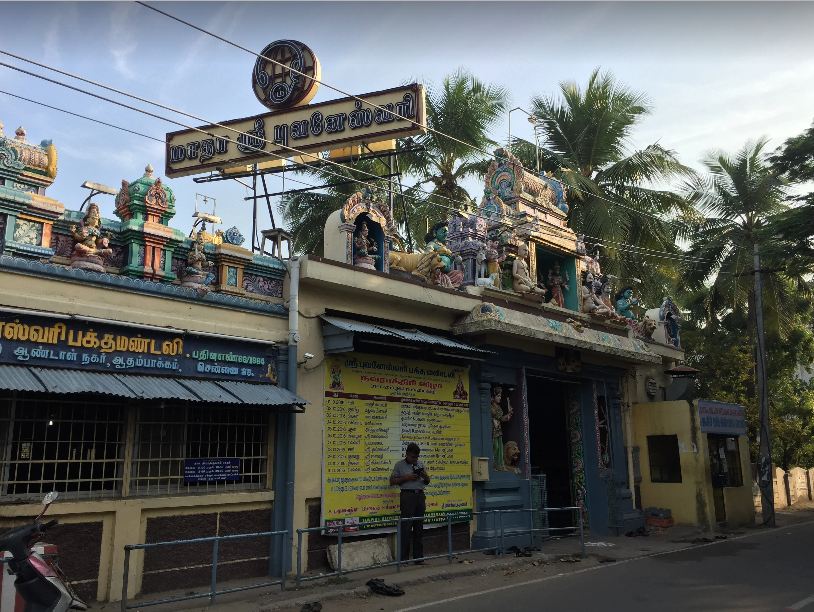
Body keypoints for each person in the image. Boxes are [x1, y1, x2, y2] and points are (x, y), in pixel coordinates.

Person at [390, 442, 430, 563]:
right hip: (407, 496)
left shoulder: (420, 464)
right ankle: (404, 559)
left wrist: (424, 476)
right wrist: (406, 478)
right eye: (413, 457)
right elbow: (392, 481)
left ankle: (418, 558)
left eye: (416, 457)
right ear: (407, 454)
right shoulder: (399, 465)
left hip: (420, 496)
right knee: (406, 527)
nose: (415, 459)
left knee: (419, 526)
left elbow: (427, 481)